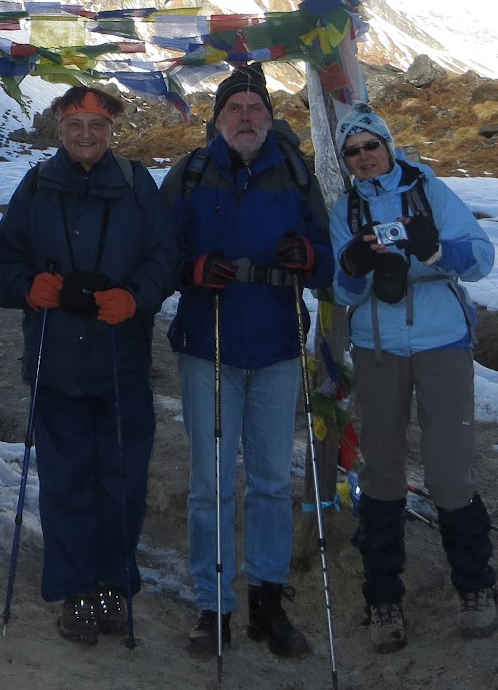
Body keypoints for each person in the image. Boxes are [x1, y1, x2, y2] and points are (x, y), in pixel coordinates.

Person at [0, 86, 179, 647]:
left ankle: (113, 587)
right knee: (65, 482)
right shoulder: (36, 185)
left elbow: (165, 256)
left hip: (122, 360)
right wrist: (28, 287)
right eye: (75, 124)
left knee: (123, 482)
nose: (86, 134)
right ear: (59, 128)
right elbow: (4, 259)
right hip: (55, 359)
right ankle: (77, 590)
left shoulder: (138, 184)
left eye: (97, 124)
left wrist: (137, 297)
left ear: (112, 129)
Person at [161, 62, 333, 659]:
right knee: (209, 482)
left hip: (278, 344)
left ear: (268, 117)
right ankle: (213, 605)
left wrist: (309, 256)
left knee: (270, 480)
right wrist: (190, 270)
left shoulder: (295, 173)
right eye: (234, 108)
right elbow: (157, 251)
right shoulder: (190, 173)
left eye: (254, 108)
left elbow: (329, 254)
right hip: (206, 344)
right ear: (217, 120)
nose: (245, 117)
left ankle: (267, 598)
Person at [327, 106, 498, 652]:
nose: (363, 157)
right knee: (381, 473)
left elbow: (481, 259)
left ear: (388, 144)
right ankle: (383, 598)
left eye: (370, 145)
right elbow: (340, 290)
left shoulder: (431, 192)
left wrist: (433, 250)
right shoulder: (345, 210)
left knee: (449, 473)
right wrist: (354, 266)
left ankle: (475, 587)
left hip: (442, 342)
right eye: (352, 152)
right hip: (377, 347)